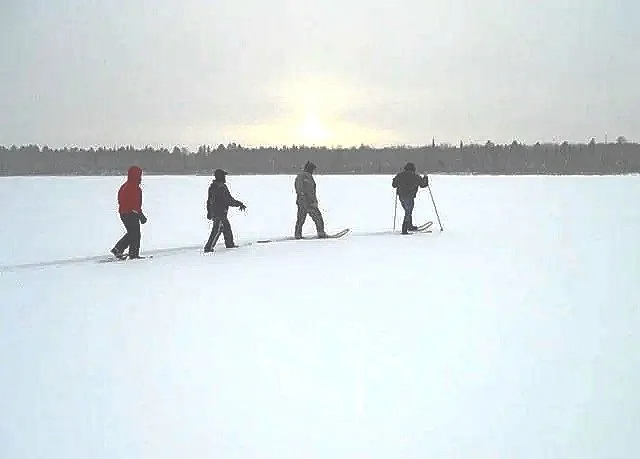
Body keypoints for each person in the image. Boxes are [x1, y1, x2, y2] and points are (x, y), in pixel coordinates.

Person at [204, 168, 246, 252]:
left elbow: (209, 201)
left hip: (219, 213)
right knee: (217, 230)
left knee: (226, 228)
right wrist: (239, 204)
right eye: (224, 176)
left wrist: (209, 212)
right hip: (219, 213)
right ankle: (208, 248)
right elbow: (228, 200)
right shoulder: (220, 187)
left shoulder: (215, 186)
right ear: (220, 177)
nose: (225, 177)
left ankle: (229, 244)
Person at [111, 165, 147, 259]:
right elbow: (135, 204)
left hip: (124, 213)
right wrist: (140, 215)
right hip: (131, 213)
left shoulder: (125, 186)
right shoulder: (134, 188)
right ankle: (133, 254)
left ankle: (118, 249)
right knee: (135, 234)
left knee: (132, 233)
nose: (141, 178)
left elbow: (120, 200)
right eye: (139, 175)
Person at [392, 162, 429, 234]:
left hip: (401, 196)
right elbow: (423, 184)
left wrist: (396, 179)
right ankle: (404, 229)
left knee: (408, 211)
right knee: (408, 212)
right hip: (409, 196)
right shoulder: (416, 176)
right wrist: (425, 177)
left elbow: (394, 185)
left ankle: (409, 226)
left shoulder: (400, 175)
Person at [294, 161, 327, 239]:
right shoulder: (301, 176)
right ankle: (320, 233)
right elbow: (299, 188)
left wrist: (315, 201)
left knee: (303, 219)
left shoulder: (308, 177)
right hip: (305, 202)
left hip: (309, 202)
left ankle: (298, 234)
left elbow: (312, 191)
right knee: (315, 218)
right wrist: (303, 197)